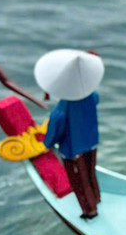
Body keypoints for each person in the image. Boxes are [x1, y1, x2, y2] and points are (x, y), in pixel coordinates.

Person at [35, 48, 104, 219]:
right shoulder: (91, 95)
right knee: (90, 172)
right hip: (91, 142)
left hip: (74, 150)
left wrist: (47, 143)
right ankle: (96, 197)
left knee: (79, 181)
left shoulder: (64, 106)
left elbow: (57, 126)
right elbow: (96, 99)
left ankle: (90, 210)